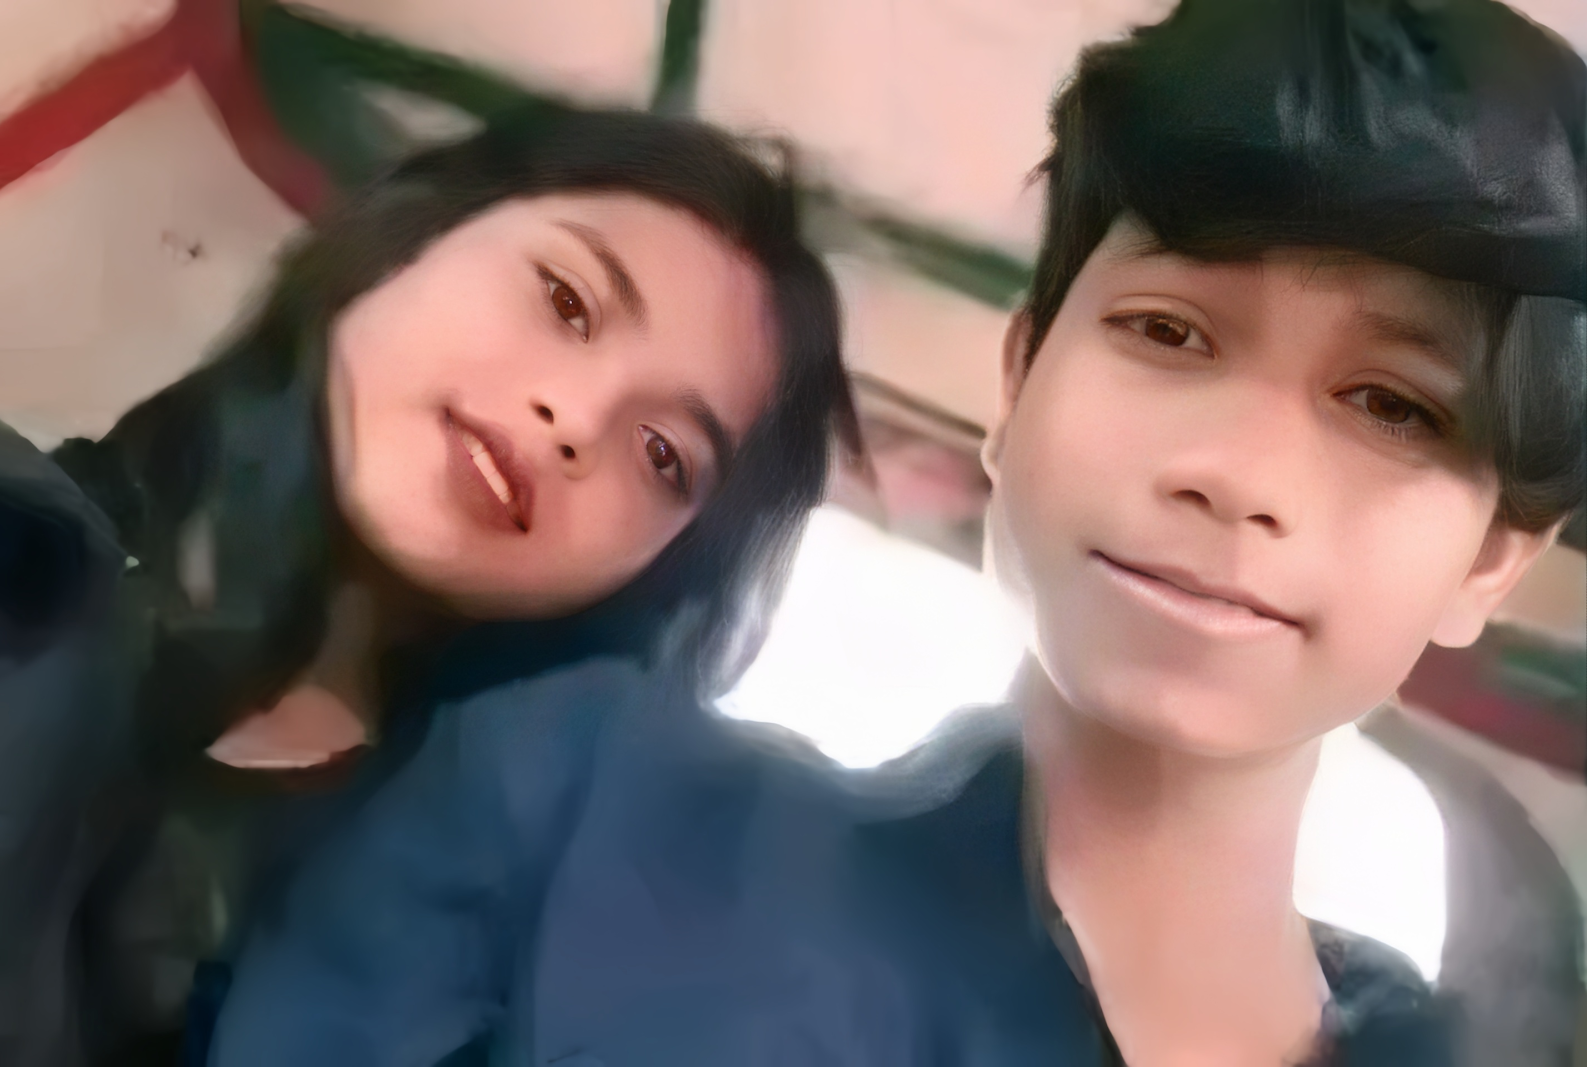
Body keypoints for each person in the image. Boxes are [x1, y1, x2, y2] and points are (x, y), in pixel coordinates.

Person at [253, 0, 1577, 1065]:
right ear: (1019, 377)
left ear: (1491, 558)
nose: (1236, 475)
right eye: (1170, 331)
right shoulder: (571, 806)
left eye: (1394, 407)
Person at [0, 103, 854, 1065]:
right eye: (567, 301)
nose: (576, 418)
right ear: (418, 232)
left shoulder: (486, 975)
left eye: (662, 454)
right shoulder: (15, 533)